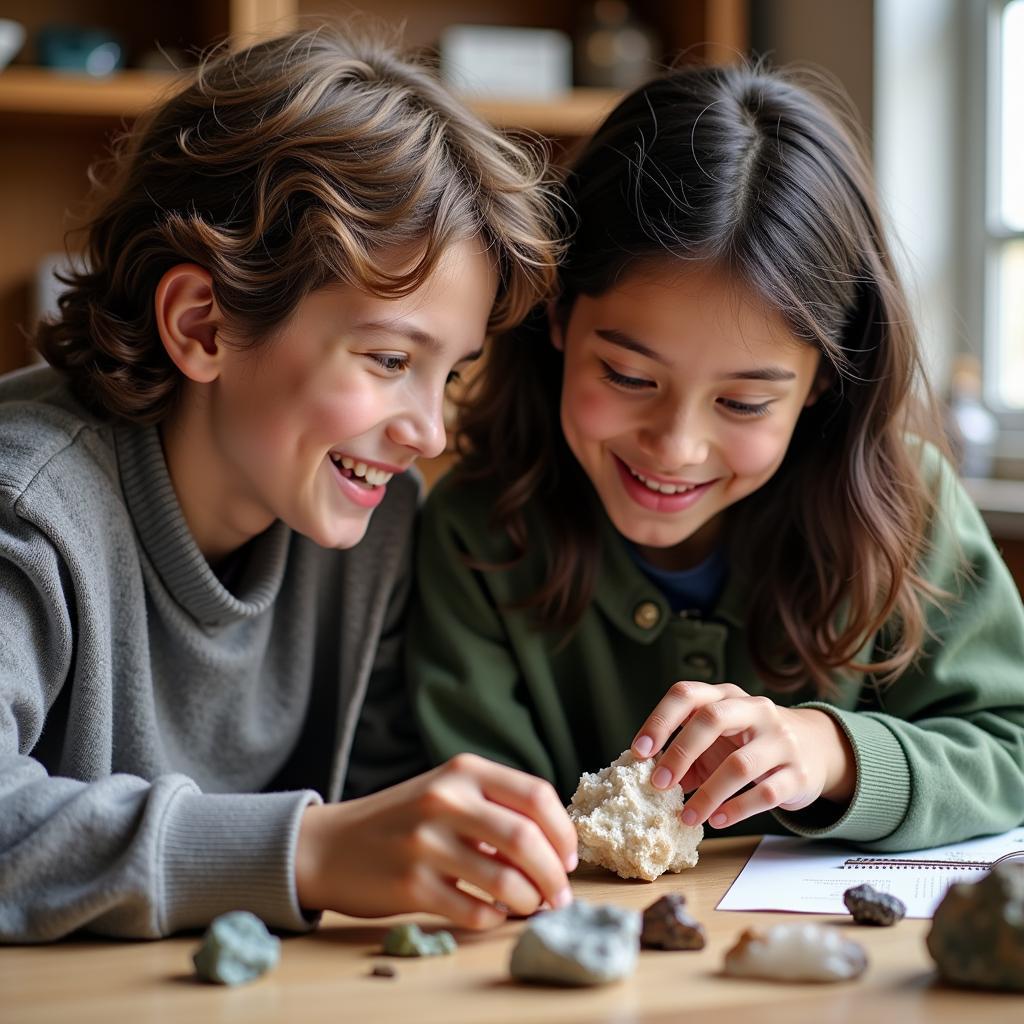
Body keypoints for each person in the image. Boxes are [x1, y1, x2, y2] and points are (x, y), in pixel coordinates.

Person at [0, 27, 578, 944]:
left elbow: (381, 798)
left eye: (452, 374)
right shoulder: (27, 508)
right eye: (390, 359)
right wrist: (306, 851)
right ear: (203, 325)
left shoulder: (373, 523)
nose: (428, 431)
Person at [409, 62, 1024, 851]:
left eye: (743, 402)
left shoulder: (911, 506)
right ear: (558, 317)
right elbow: (476, 817)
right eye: (628, 376)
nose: (676, 446)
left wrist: (835, 754)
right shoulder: (477, 536)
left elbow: (1011, 744)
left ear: (821, 382)